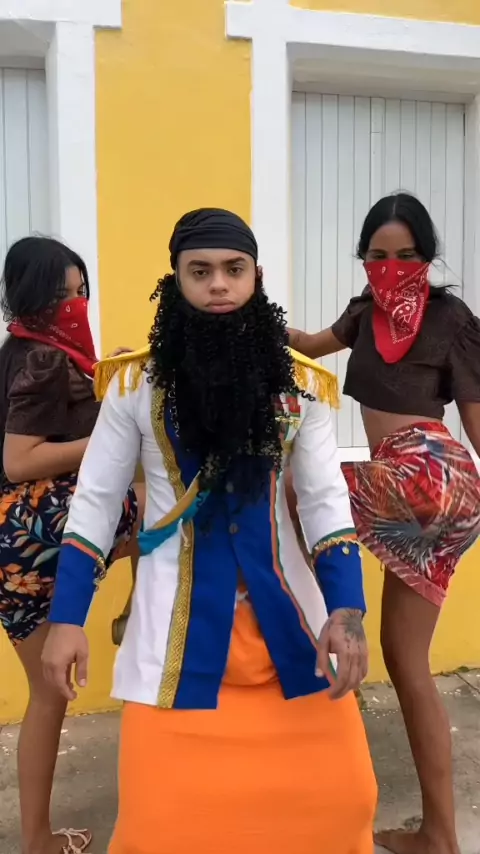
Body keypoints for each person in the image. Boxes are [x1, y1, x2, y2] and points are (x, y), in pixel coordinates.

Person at [41, 208, 377, 854]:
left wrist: (347, 609)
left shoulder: (302, 386)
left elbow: (324, 502)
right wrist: (67, 619)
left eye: (233, 269)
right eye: (200, 272)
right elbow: (96, 504)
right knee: (164, 825)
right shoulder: (135, 385)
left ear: (257, 278)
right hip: (175, 648)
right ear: (176, 281)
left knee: (342, 803)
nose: (218, 284)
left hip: (292, 639)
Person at [288, 192, 480, 854]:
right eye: (377, 256)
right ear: (364, 258)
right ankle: (439, 835)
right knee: (407, 660)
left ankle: (294, 628)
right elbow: (307, 345)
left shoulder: (452, 319)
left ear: (427, 256)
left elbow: (476, 423)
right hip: (437, 492)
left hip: (428, 474)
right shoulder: (362, 313)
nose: (391, 267)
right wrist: (245, 314)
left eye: (406, 255)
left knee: (292, 487)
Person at [0, 236, 142, 854]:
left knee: (46, 695)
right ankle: (141, 608)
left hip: (12, 547)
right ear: (33, 298)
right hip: (35, 531)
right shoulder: (42, 359)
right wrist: (112, 431)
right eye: (63, 295)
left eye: (81, 292)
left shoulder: (25, 351)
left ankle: (36, 839)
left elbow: (58, 417)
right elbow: (20, 459)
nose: (76, 304)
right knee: (154, 501)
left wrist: (105, 380)